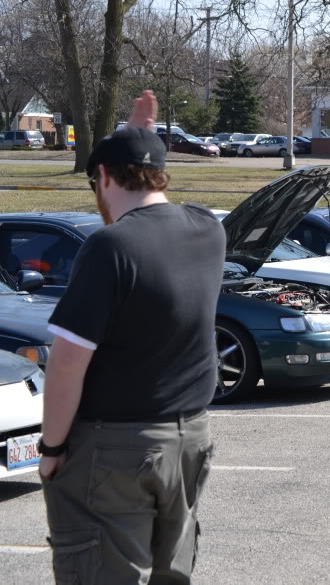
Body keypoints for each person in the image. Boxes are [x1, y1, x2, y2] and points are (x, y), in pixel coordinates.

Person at [38, 90, 226, 583]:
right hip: (188, 438)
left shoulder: (110, 246)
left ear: (101, 177)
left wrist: (51, 449)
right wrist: (135, 135)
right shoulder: (207, 229)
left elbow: (67, 363)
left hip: (116, 449)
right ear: (160, 173)